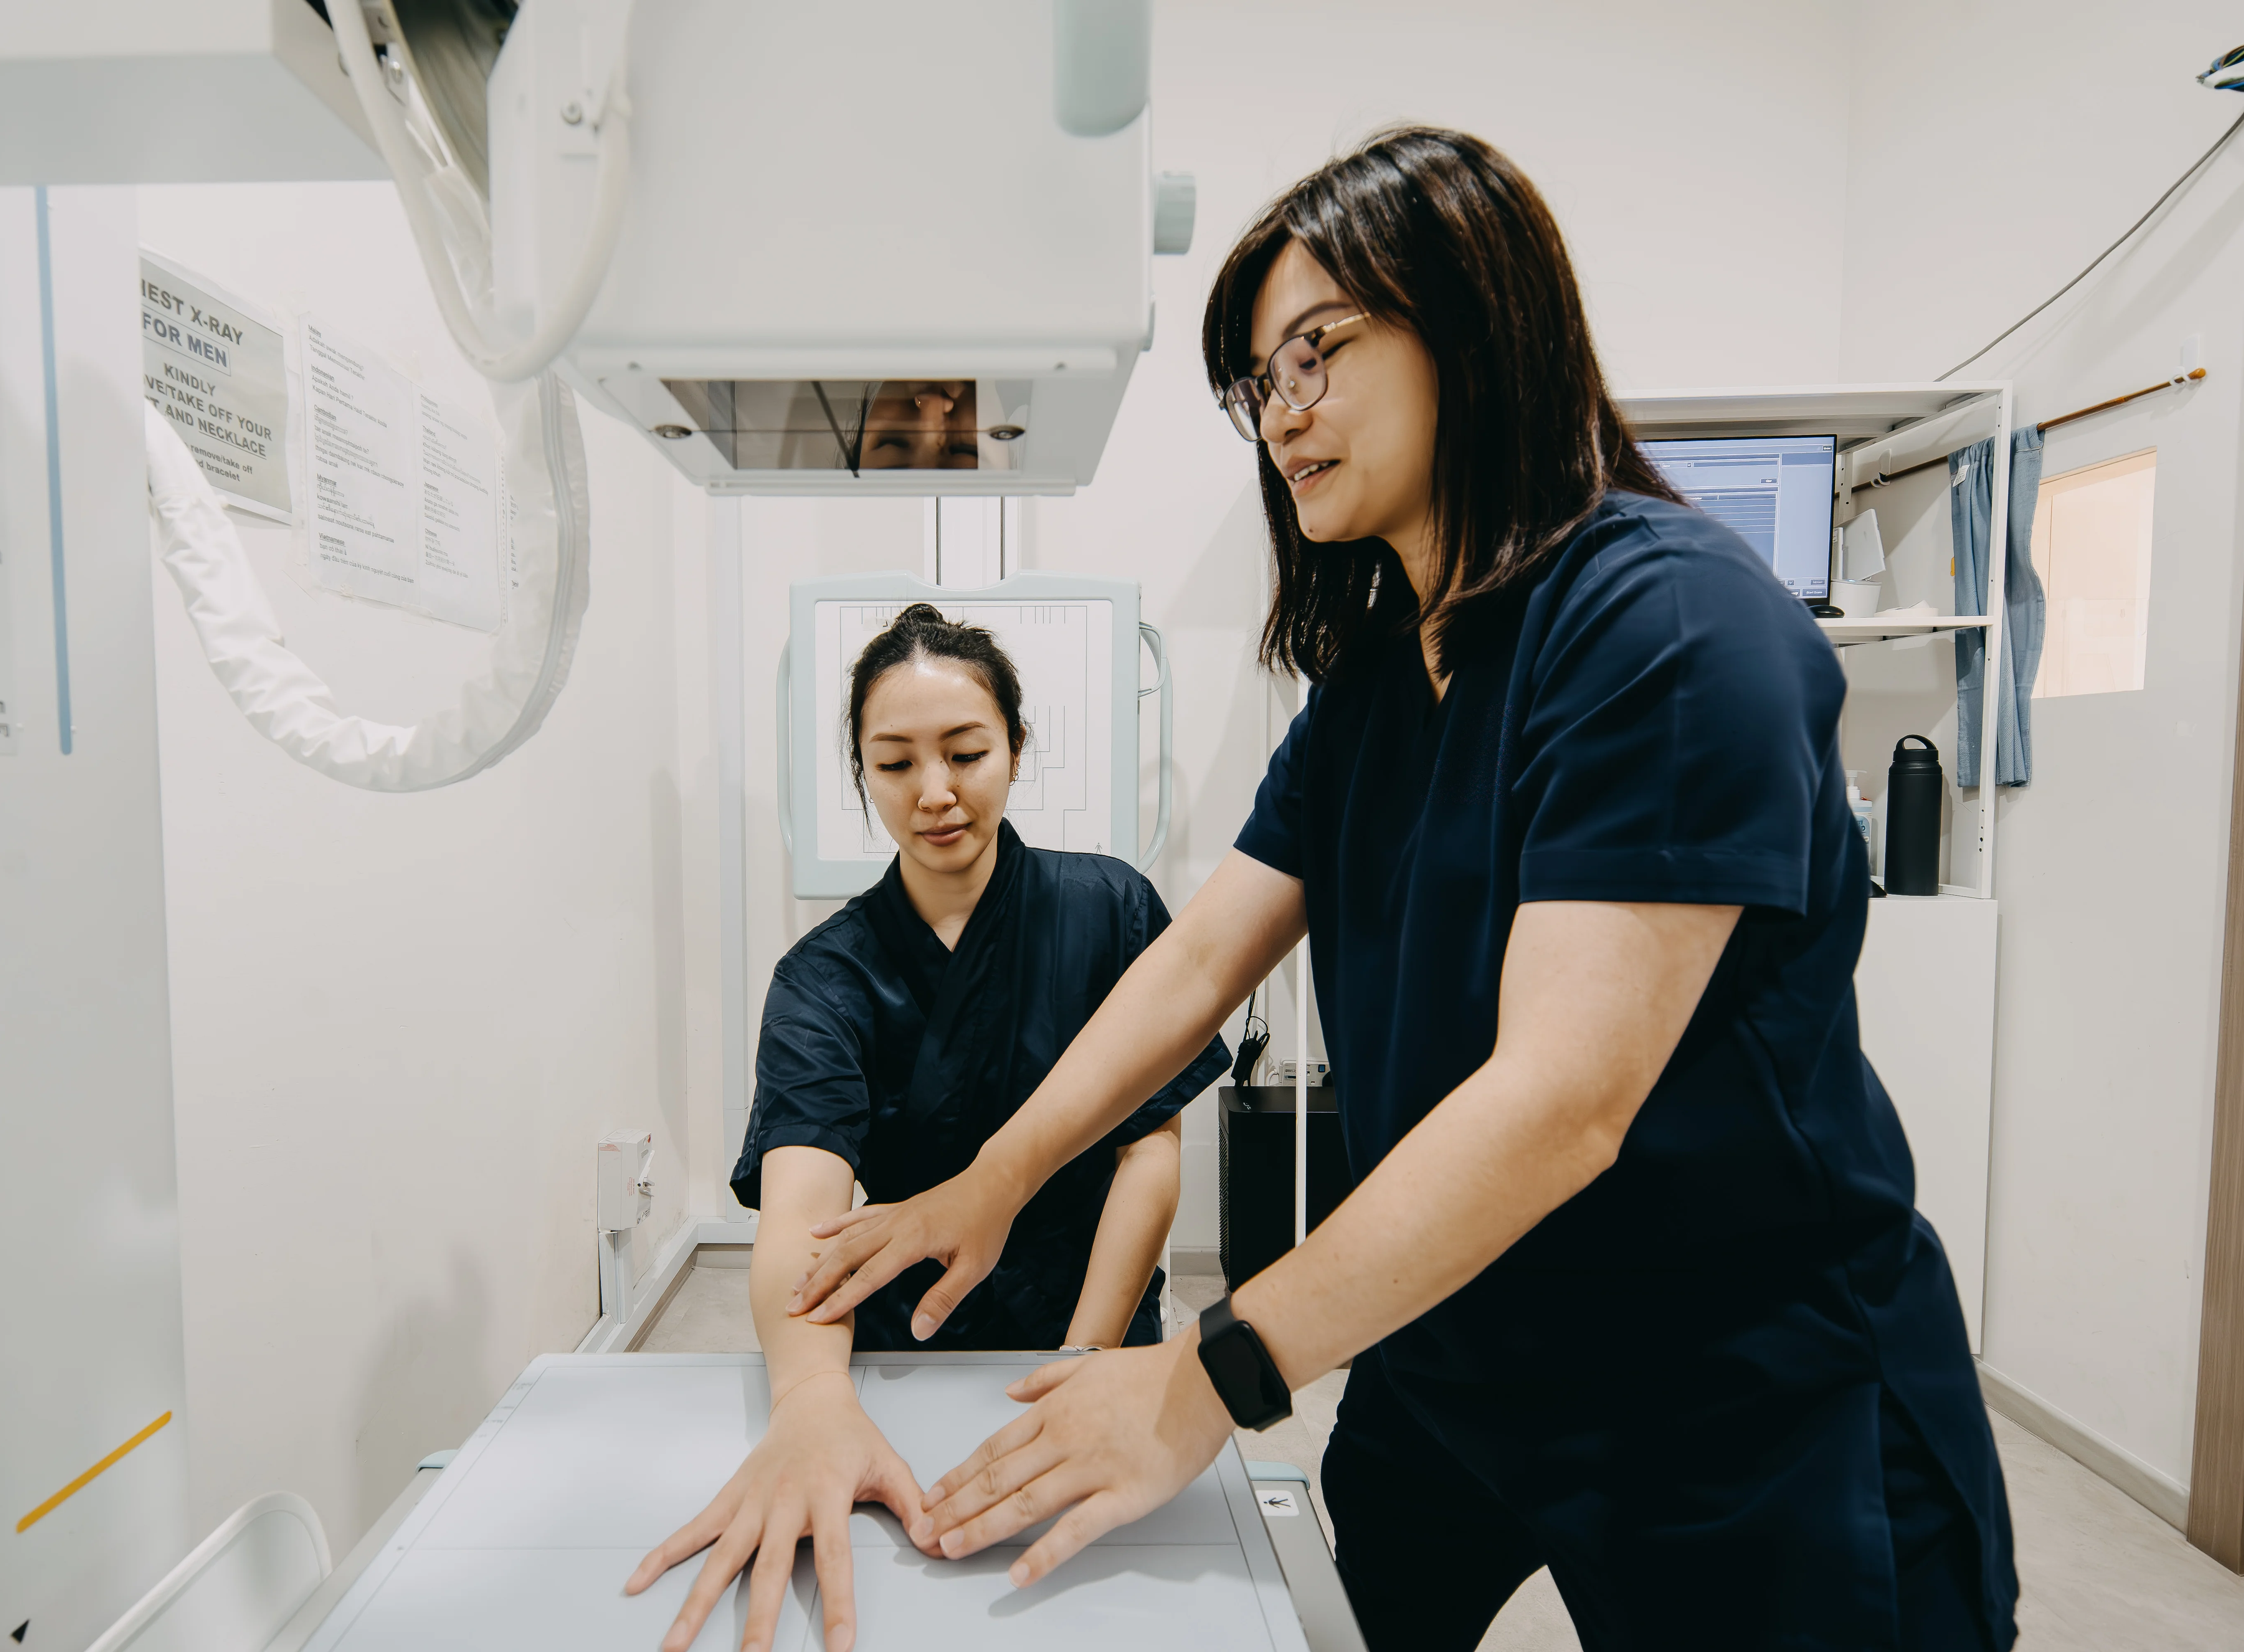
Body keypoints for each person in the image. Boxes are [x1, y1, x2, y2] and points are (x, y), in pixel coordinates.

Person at [785, 129, 2020, 1650]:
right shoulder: (1378, 674)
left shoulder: (1672, 631)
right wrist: (1001, 1174)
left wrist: (1210, 1376)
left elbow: (1562, 1104)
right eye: (1259, 381)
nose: (1281, 414)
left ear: (1476, 322)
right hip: (1457, 1343)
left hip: (1737, 1388)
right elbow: (1198, 965)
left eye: (1317, 352)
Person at [626, 603, 1228, 1652]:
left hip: (1100, 1334)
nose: (936, 791)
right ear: (861, 770)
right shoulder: (826, 976)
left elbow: (1150, 1150)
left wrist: (1084, 1354)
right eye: (895, 761)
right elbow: (800, 1219)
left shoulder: (1111, 909)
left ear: (1017, 748)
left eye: (966, 751)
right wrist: (812, 1397)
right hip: (911, 1360)